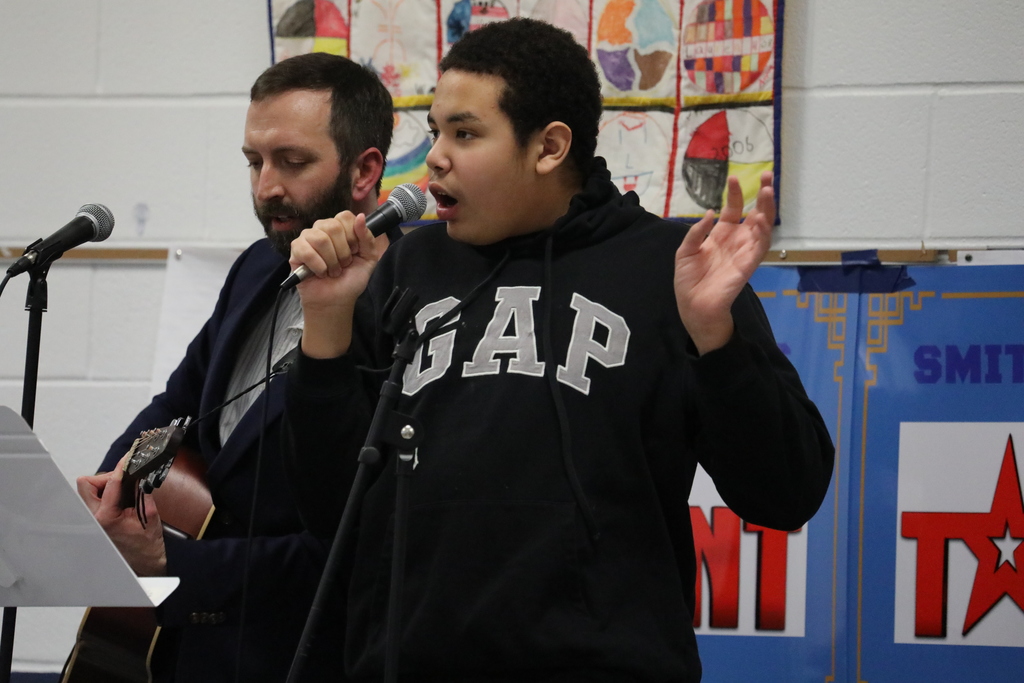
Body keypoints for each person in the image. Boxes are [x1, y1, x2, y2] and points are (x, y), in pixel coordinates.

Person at [282, 18, 835, 683]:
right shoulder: (405, 268)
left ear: (547, 147)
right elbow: (327, 506)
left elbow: (789, 490)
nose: (435, 157)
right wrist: (326, 324)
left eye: (465, 133)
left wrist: (716, 337)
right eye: (435, 132)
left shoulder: (671, 269)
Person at [74, 52, 394, 682]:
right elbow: (178, 404)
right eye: (254, 162)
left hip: (298, 656)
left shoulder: (408, 307)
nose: (266, 186)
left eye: (292, 162)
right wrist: (116, 487)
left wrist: (174, 566)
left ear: (365, 170)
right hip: (179, 652)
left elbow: (354, 546)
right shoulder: (256, 268)